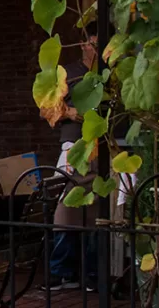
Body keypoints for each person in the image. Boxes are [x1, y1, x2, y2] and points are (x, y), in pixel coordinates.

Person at [45, 25, 100, 292]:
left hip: (102, 147)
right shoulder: (69, 73)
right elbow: (46, 106)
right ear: (82, 44)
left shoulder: (107, 76)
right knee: (64, 207)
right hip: (74, 145)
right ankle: (61, 272)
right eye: (93, 44)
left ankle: (91, 273)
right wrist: (69, 112)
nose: (97, 50)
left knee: (95, 212)